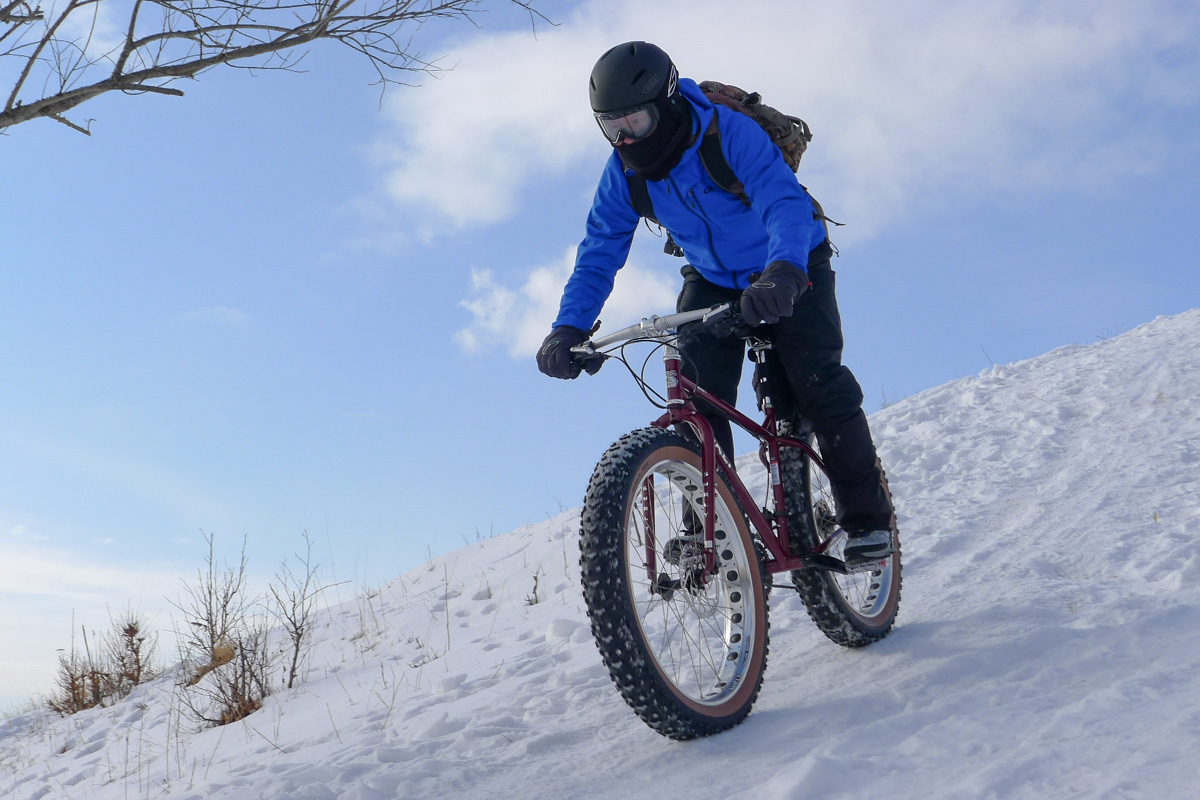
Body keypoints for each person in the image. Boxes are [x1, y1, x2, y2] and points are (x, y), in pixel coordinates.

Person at [536, 41, 893, 566]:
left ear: (665, 102)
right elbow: (600, 251)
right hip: (713, 278)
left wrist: (786, 271)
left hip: (790, 262)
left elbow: (782, 201)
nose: (625, 137)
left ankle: (867, 521)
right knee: (697, 399)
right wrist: (568, 328)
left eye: (633, 120)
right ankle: (714, 525)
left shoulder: (727, 134)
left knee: (819, 384)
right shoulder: (625, 173)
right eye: (612, 127)